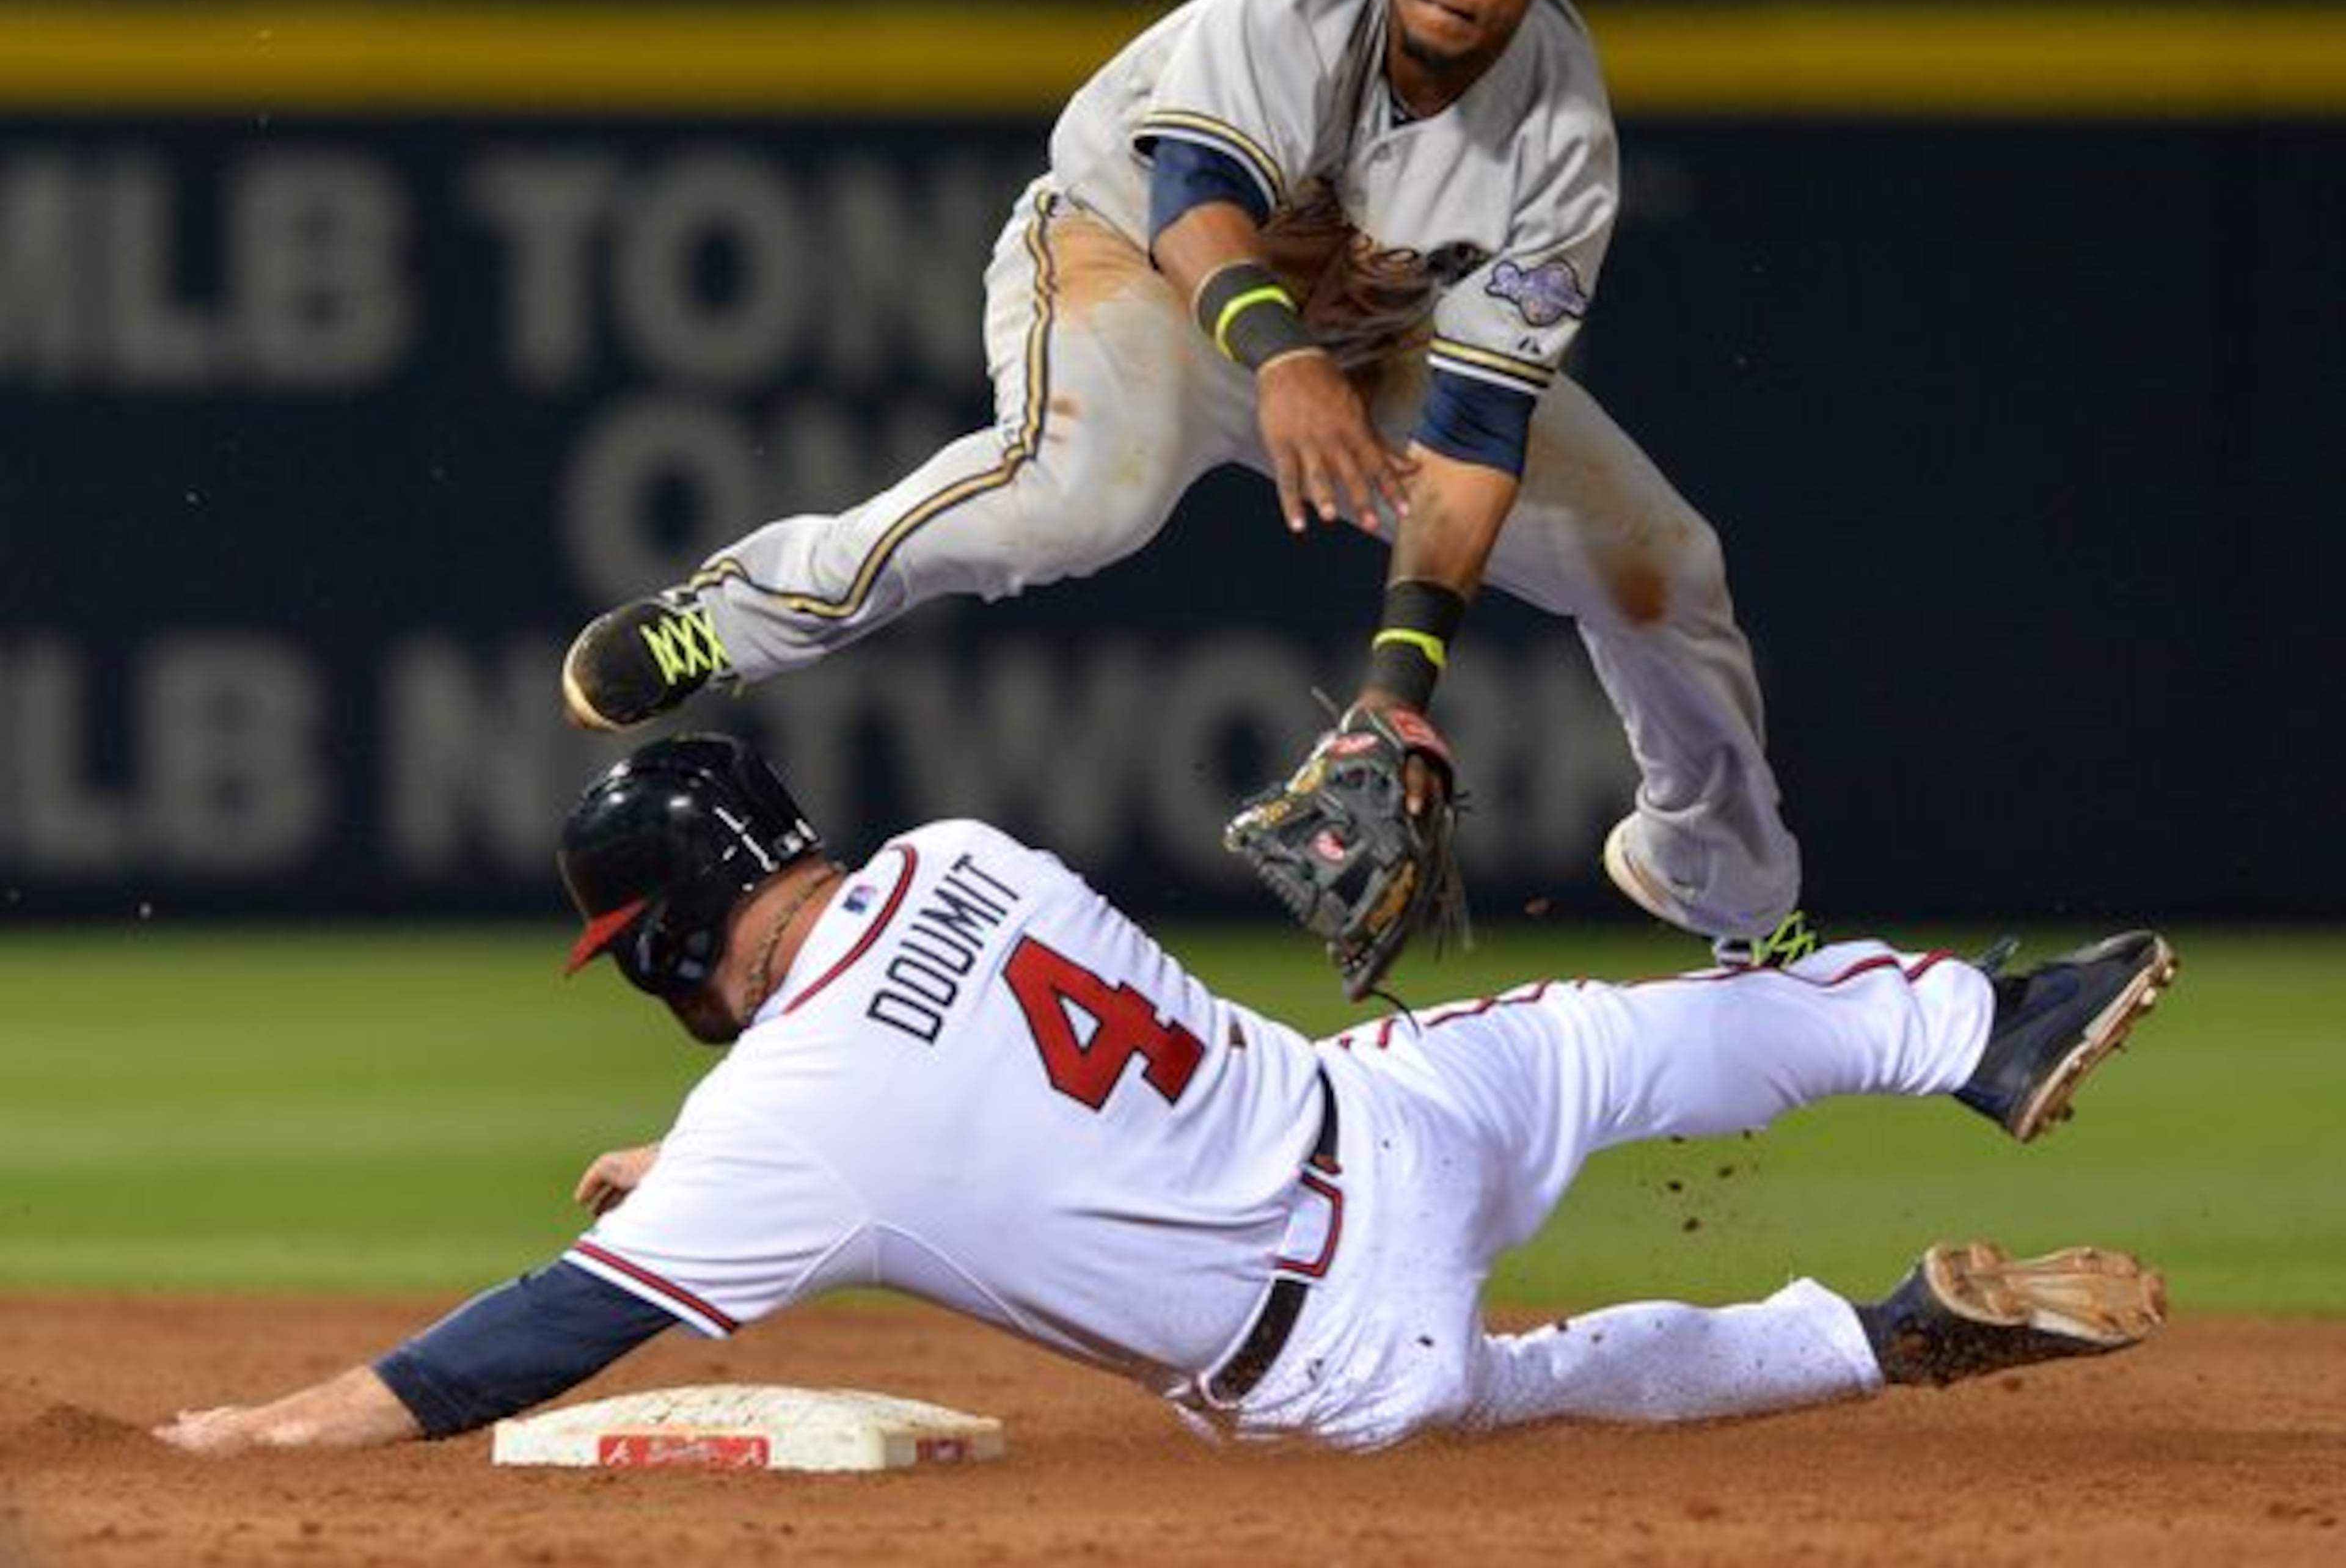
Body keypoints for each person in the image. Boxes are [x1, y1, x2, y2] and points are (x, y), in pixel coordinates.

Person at [557, 0, 1812, 968]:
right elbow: (1196, 198)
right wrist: (1280, 361)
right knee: (1078, 500)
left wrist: (1398, 692)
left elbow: (1477, 437)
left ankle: (1723, 878)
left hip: (1370, 343)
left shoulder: (1563, 141)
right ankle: (729, 617)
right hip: (1140, 266)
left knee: (1665, 570)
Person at [156, 733, 2175, 1459]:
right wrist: (712, 1146)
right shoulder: (964, 853)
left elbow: (537, 1333)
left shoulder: (791, 1129)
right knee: (1613, 1042)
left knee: (1530, 1388)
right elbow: (935, 1066)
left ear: (675, 932)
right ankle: (1968, 1032)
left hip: (1338, 1349)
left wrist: (275, 1427)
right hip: (1389, 1117)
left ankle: (1880, 1337)